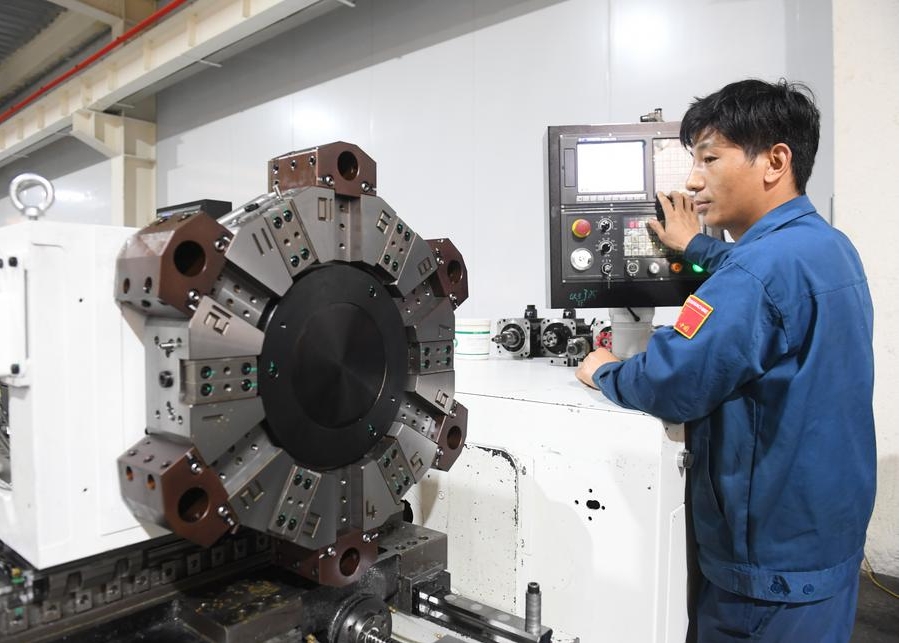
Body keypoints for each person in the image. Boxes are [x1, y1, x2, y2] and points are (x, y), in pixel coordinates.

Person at [575, 79, 875, 642]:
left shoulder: (754, 276)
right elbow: (759, 279)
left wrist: (603, 370)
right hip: (822, 542)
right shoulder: (827, 246)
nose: (692, 181)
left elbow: (670, 381)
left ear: (775, 161)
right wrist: (698, 247)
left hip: (763, 575)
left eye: (710, 158)